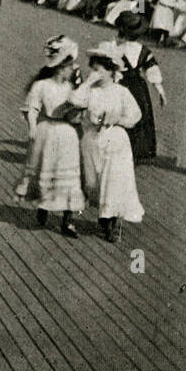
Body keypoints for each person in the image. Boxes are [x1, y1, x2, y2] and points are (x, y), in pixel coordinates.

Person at [72, 43, 144, 243]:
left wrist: (117, 120)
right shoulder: (90, 91)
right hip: (92, 140)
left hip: (115, 140)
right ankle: (104, 216)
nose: (94, 73)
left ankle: (109, 222)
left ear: (110, 70)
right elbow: (75, 100)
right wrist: (87, 82)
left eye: (98, 69)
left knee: (113, 182)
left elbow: (135, 115)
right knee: (93, 181)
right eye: (92, 69)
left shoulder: (121, 91)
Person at [16, 36, 85, 239]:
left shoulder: (71, 89)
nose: (72, 70)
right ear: (60, 68)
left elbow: (79, 112)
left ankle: (68, 219)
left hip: (68, 134)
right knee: (47, 169)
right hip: (47, 131)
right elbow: (32, 107)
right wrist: (32, 127)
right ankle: (44, 205)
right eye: (69, 66)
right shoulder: (42, 86)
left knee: (70, 176)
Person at [112, 11, 164, 162]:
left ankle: (121, 145)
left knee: (122, 113)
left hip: (121, 85)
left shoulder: (117, 49)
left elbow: (113, 71)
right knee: (141, 114)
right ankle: (139, 150)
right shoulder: (144, 51)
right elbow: (152, 71)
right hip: (138, 87)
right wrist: (160, 90)